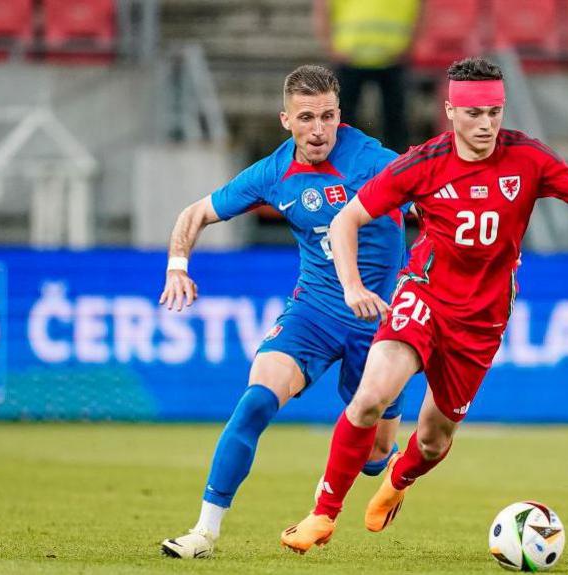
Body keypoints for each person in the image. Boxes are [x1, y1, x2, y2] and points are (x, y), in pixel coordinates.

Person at [280, 56, 568, 554]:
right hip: (424, 294)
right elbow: (347, 220)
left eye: (494, 114)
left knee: (434, 440)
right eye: (475, 115)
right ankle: (322, 515)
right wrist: (352, 286)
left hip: (482, 319)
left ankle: (399, 480)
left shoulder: (528, 158)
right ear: (451, 111)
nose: (486, 125)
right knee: (371, 396)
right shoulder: (422, 162)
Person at [158, 65, 409, 559]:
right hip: (313, 311)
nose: (319, 129)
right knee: (254, 402)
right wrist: (176, 265)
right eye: (307, 117)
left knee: (375, 454)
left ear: (341, 116)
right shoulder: (273, 174)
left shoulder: (373, 160)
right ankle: (204, 532)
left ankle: (388, 466)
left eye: (329, 117)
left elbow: (435, 192)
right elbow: (195, 213)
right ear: (285, 120)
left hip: (380, 318)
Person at [313, 0, 420, 153]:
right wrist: (329, 46)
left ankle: (397, 165)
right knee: (343, 119)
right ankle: (341, 159)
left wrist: (411, 45)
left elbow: (419, 9)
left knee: (395, 121)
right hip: (352, 57)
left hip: (392, 56)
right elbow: (323, 8)